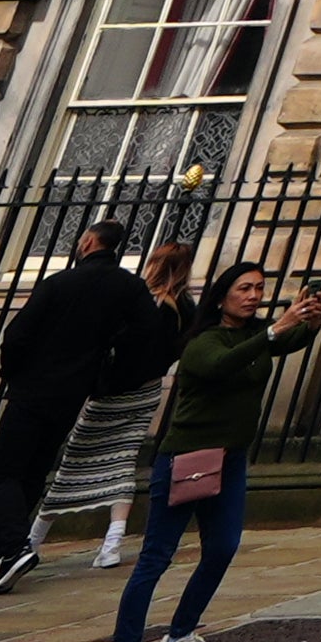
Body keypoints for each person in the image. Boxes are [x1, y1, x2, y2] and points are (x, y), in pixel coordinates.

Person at [99, 261, 321, 642]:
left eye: (260, 288)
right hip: (187, 460)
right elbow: (223, 364)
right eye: (244, 288)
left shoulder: (251, 336)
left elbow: (276, 344)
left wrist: (310, 323)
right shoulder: (202, 342)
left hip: (230, 458)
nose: (254, 295)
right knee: (156, 557)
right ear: (221, 295)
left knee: (222, 548)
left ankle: (178, 637)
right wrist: (276, 329)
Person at [0, 222, 170, 594]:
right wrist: (107, 370)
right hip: (75, 392)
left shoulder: (59, 284)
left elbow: (16, 335)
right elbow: (147, 332)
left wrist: (13, 372)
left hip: (32, 388)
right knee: (32, 476)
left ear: (89, 241)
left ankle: (14, 548)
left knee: (4, 473)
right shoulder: (129, 287)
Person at [79, 239, 202, 574]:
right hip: (147, 389)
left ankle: (34, 537)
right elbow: (180, 348)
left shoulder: (140, 301)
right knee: (124, 459)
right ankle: (112, 544)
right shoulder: (186, 307)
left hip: (114, 388)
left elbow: (112, 338)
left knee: (76, 459)